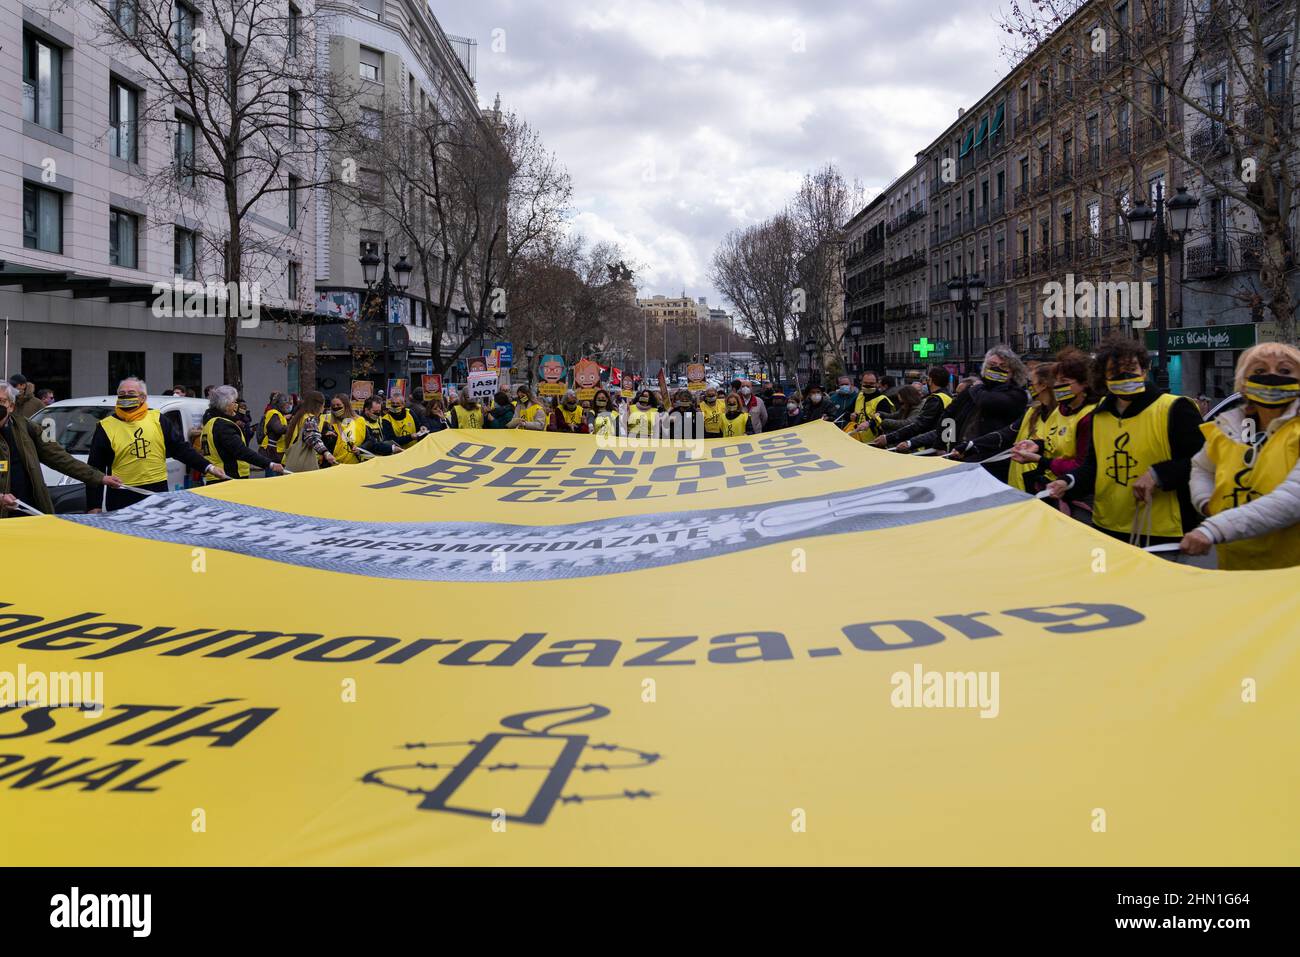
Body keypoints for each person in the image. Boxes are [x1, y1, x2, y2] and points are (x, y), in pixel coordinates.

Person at [1047, 334, 1204, 546]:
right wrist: (1067, 481)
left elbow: (1202, 461)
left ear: (1144, 370)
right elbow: (1093, 467)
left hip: (1162, 530)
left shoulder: (1175, 408)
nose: (1124, 376)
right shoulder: (1099, 414)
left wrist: (1158, 475)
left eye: (1131, 369)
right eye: (1114, 371)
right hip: (1108, 526)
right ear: (1103, 376)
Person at [1181, 343, 1300, 569]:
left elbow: (1292, 499)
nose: (1272, 377)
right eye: (1259, 371)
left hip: (1290, 577)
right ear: (1243, 383)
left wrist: (1214, 528)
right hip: (1234, 568)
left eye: (1285, 371)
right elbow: (1201, 467)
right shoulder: (1228, 427)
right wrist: (1206, 503)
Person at [86, 377, 223, 510]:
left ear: (142, 398)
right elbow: (95, 467)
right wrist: (94, 505)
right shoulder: (105, 426)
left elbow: (180, 449)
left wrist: (208, 467)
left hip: (157, 493)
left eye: (131, 394)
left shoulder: (158, 419)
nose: (126, 397)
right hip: (122, 494)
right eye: (122, 394)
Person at [893, 348, 1028, 481]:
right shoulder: (972, 390)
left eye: (1003, 366)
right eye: (992, 365)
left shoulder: (1016, 394)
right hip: (961, 457)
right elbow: (949, 416)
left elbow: (987, 401)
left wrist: (976, 387)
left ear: (1012, 372)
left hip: (992, 463)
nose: (996, 369)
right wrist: (944, 444)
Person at [0, 382, 121, 516]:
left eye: (1, 401)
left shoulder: (27, 427)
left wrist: (100, 477)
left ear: (10, 406)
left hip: (28, 512)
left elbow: (59, 457)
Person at [958, 363, 1058, 493]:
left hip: (1045, 486)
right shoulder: (1033, 411)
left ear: (1043, 385)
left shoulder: (1059, 414)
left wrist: (977, 388)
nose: (1029, 386)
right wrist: (972, 445)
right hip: (1020, 484)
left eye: (1031, 382)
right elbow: (1006, 433)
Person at [1011, 348, 1098, 493]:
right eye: (1056, 380)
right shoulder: (1060, 409)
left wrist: (1040, 459)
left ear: (1085, 383)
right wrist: (1038, 445)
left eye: (1064, 381)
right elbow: (1060, 444)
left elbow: (1083, 466)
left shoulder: (1089, 416)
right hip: (1050, 485)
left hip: (1075, 492)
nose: (1057, 385)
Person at [198, 385, 285, 482]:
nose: (236, 405)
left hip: (216, 477)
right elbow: (241, 451)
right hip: (228, 477)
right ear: (225, 404)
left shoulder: (210, 423)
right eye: (234, 402)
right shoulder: (223, 426)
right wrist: (270, 464)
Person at [874, 367, 953, 451]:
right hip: (946, 446)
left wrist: (888, 438)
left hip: (933, 447)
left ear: (930, 380)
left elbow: (919, 425)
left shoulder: (935, 399)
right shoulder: (949, 397)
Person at [283, 391, 337, 471]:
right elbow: (312, 437)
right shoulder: (310, 419)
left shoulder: (300, 416)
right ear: (318, 405)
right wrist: (326, 453)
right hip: (303, 464)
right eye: (323, 405)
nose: (324, 408)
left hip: (290, 459)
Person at [321, 394, 369, 465]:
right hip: (334, 464)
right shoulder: (328, 423)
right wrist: (326, 436)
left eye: (338, 405)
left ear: (346, 405)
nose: (336, 407)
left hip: (354, 464)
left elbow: (369, 440)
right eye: (333, 406)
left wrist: (359, 449)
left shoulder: (359, 421)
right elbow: (323, 444)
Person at [848, 371, 895, 443]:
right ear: (861, 382)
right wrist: (851, 415)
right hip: (856, 438)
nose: (868, 385)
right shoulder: (859, 396)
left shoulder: (882, 400)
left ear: (877, 383)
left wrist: (869, 423)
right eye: (865, 383)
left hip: (875, 441)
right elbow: (847, 412)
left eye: (871, 383)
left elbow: (884, 419)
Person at [260, 392, 292, 466]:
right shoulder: (273, 413)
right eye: (286, 403)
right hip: (271, 452)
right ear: (279, 404)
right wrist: (292, 427)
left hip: (276, 453)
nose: (288, 406)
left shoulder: (280, 415)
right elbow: (278, 429)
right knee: (272, 476)